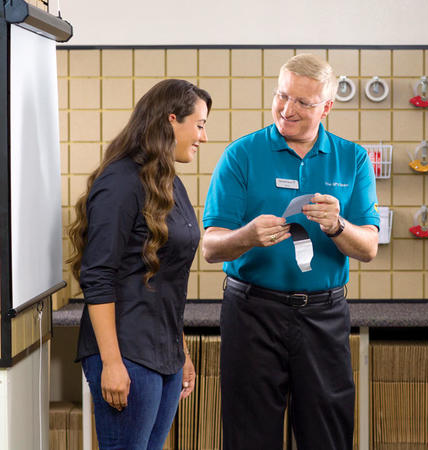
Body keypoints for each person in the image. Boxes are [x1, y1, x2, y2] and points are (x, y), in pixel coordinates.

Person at [202, 54, 379, 450]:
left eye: (303, 102)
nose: (287, 109)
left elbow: (368, 248)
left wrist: (337, 225)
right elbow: (211, 247)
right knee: (250, 436)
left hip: (323, 315)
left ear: (327, 107)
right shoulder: (241, 155)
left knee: (327, 435)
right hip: (252, 314)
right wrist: (247, 235)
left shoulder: (352, 158)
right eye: (282, 96)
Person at [67, 79, 211, 450]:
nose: (203, 137)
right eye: (199, 125)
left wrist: (180, 350)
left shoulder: (168, 183)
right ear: (171, 120)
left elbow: (168, 279)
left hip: (164, 354)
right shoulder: (120, 182)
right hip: (127, 353)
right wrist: (112, 363)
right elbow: (97, 276)